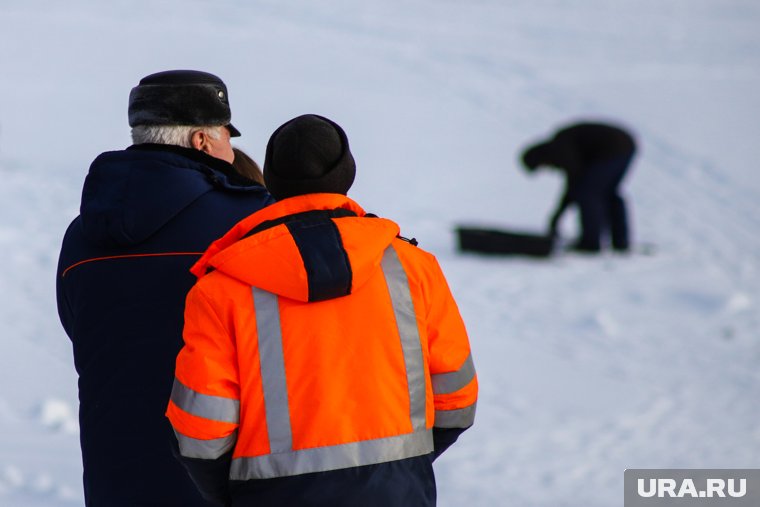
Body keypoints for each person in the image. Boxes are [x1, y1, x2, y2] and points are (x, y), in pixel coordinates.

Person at [166, 114, 478, 507]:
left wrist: (235, 492)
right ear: (346, 175)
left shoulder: (220, 289)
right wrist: (401, 466)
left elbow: (202, 428)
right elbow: (458, 398)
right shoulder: (413, 268)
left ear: (272, 181)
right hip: (398, 491)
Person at [56, 70, 274, 506]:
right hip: (222, 475)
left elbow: (76, 324)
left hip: (114, 475)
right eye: (227, 137)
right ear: (202, 141)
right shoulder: (248, 225)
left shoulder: (83, 233)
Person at [521, 121, 636, 252]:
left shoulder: (561, 147)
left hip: (613, 148)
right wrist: (559, 214)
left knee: (588, 194)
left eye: (542, 166)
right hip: (623, 145)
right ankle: (620, 242)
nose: (548, 169)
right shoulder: (561, 144)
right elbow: (574, 183)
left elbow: (574, 181)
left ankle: (590, 243)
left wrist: (558, 215)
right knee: (608, 194)